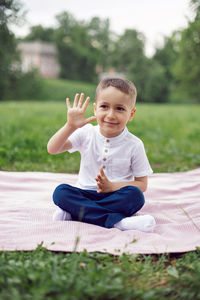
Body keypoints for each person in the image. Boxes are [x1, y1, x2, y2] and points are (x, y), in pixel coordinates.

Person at [47, 77, 156, 232]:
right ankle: (118, 222)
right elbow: (53, 148)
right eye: (104, 106)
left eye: (119, 109)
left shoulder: (134, 144)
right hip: (83, 194)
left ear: (131, 114)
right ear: (95, 108)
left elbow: (142, 184)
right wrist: (70, 126)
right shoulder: (86, 133)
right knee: (61, 192)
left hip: (115, 196)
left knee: (135, 196)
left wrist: (112, 186)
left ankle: (76, 213)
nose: (111, 115)